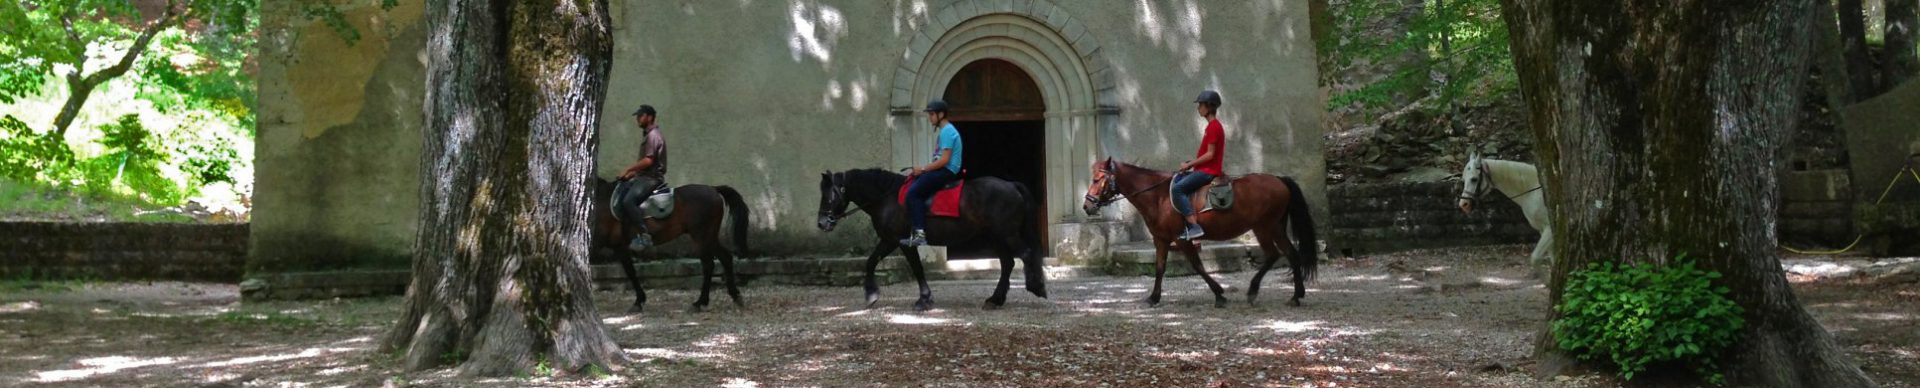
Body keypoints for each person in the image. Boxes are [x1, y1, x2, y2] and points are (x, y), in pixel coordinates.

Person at [899, 100, 964, 247]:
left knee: (913, 194)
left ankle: (920, 234)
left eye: (932, 114)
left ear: (941, 114)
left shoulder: (947, 131)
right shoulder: (945, 131)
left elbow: (944, 160)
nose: (930, 118)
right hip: (942, 170)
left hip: (945, 171)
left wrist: (922, 169)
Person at [1172, 90, 1225, 240]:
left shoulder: (1214, 127)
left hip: (1208, 171)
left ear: (1209, 106)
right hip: (1204, 168)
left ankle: (1194, 227)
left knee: (1177, 189)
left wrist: (1190, 165)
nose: (1198, 108)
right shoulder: (1211, 127)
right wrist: (1191, 163)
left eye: (1201, 105)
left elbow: (1210, 155)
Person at [615, 105, 668, 252]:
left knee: (629, 201)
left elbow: (649, 161)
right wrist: (631, 175)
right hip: (644, 177)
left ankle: (644, 235)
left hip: (651, 179)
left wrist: (629, 169)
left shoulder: (653, 135)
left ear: (650, 117)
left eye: (641, 115)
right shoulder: (648, 135)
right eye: (637, 116)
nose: (638, 119)